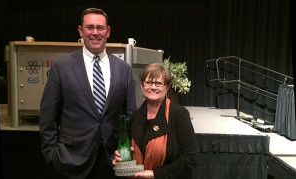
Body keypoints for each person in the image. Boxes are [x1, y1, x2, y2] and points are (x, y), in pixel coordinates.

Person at [39, 8, 136, 179]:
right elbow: (48, 117)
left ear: (108, 32)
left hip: (113, 161)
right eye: (90, 27)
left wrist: (126, 154)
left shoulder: (123, 69)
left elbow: (130, 115)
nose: (95, 33)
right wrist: (51, 154)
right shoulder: (61, 68)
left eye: (100, 28)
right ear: (81, 31)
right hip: (71, 161)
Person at [113, 63, 198, 178]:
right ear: (142, 85)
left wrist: (154, 174)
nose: (153, 87)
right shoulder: (135, 117)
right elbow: (130, 153)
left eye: (158, 83)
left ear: (167, 87)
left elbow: (190, 158)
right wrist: (122, 161)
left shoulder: (179, 114)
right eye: (148, 82)